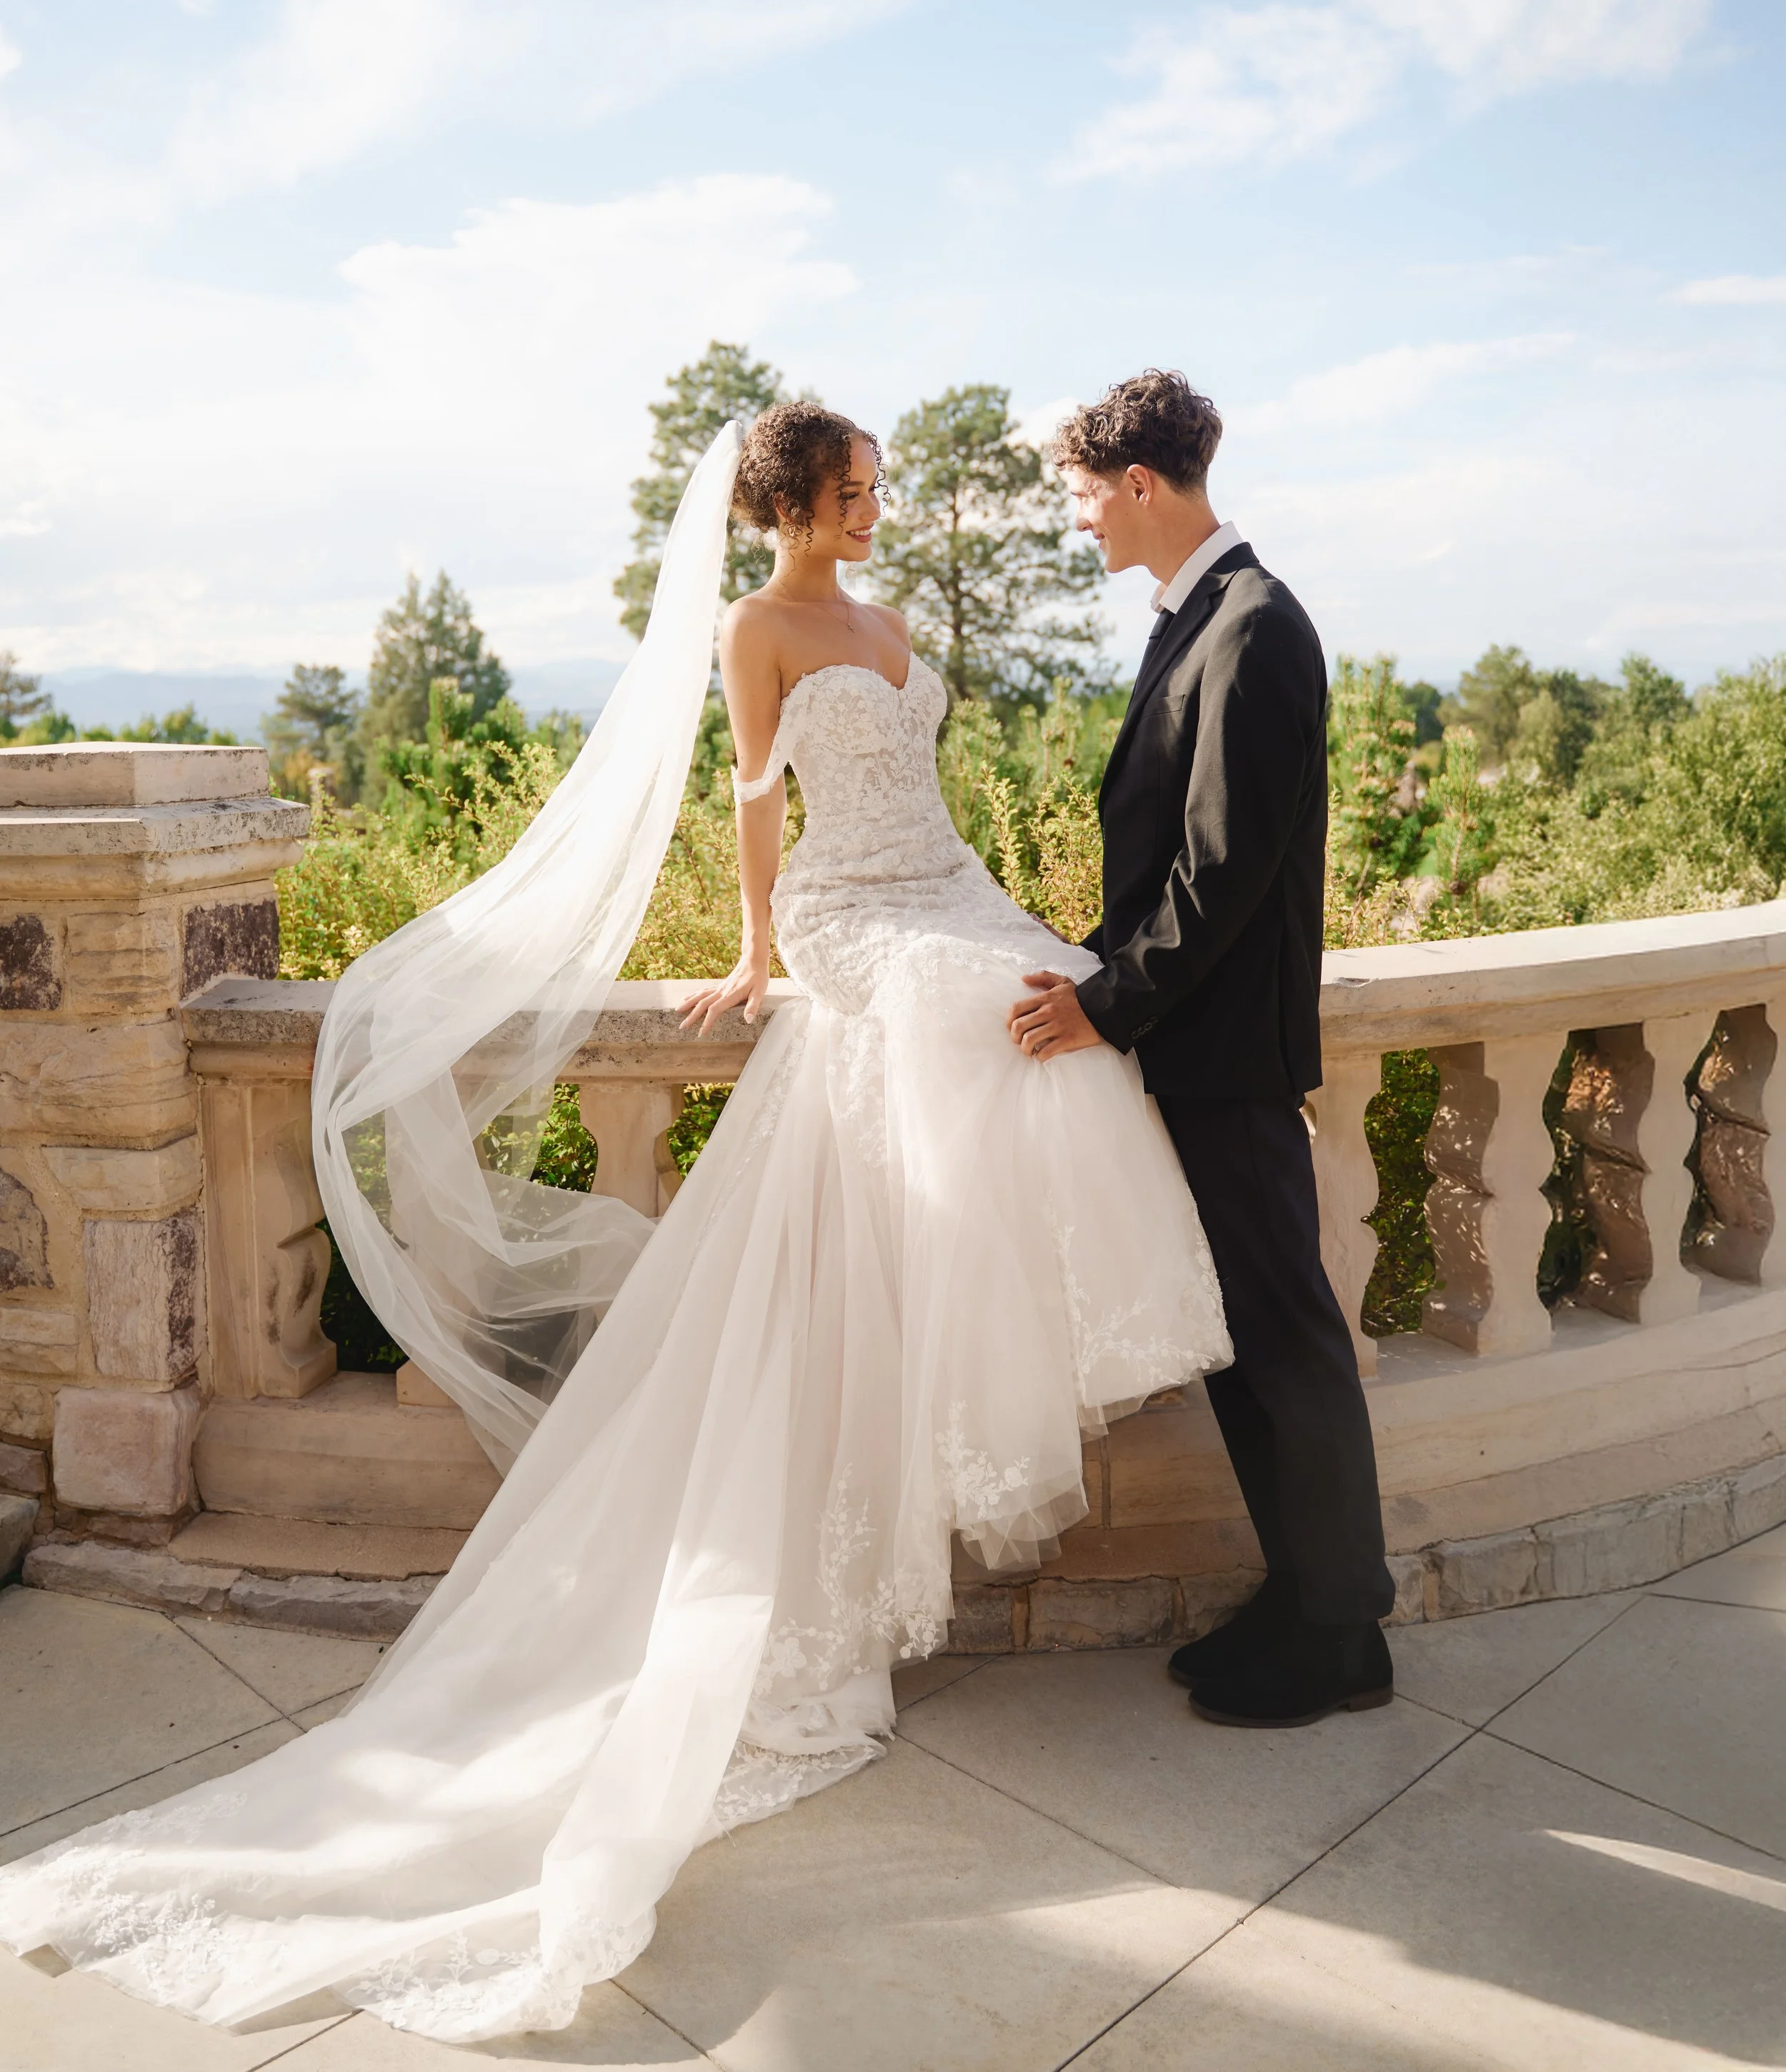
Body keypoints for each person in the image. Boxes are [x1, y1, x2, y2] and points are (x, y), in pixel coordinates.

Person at [0, 403, 1229, 2045]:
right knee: (963, 1019)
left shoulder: (892, 618)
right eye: (851, 489)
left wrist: (992, 898)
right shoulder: (759, 623)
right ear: (785, 501)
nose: (875, 507)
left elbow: (920, 786)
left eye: (875, 487)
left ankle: (967, 1379)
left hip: (938, 878)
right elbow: (750, 792)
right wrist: (754, 954)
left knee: (1049, 1001)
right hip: (846, 914)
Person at [1007, 369, 1395, 1727]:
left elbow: (1223, 873)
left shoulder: (1257, 628)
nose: (1077, 524)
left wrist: (1104, 1005)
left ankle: (1349, 1634)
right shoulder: (1204, 618)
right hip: (1195, 1052)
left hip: (1225, 1052)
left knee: (1287, 1335)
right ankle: (1301, 1596)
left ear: (1139, 485)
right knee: (1243, 1339)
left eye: (1079, 497)